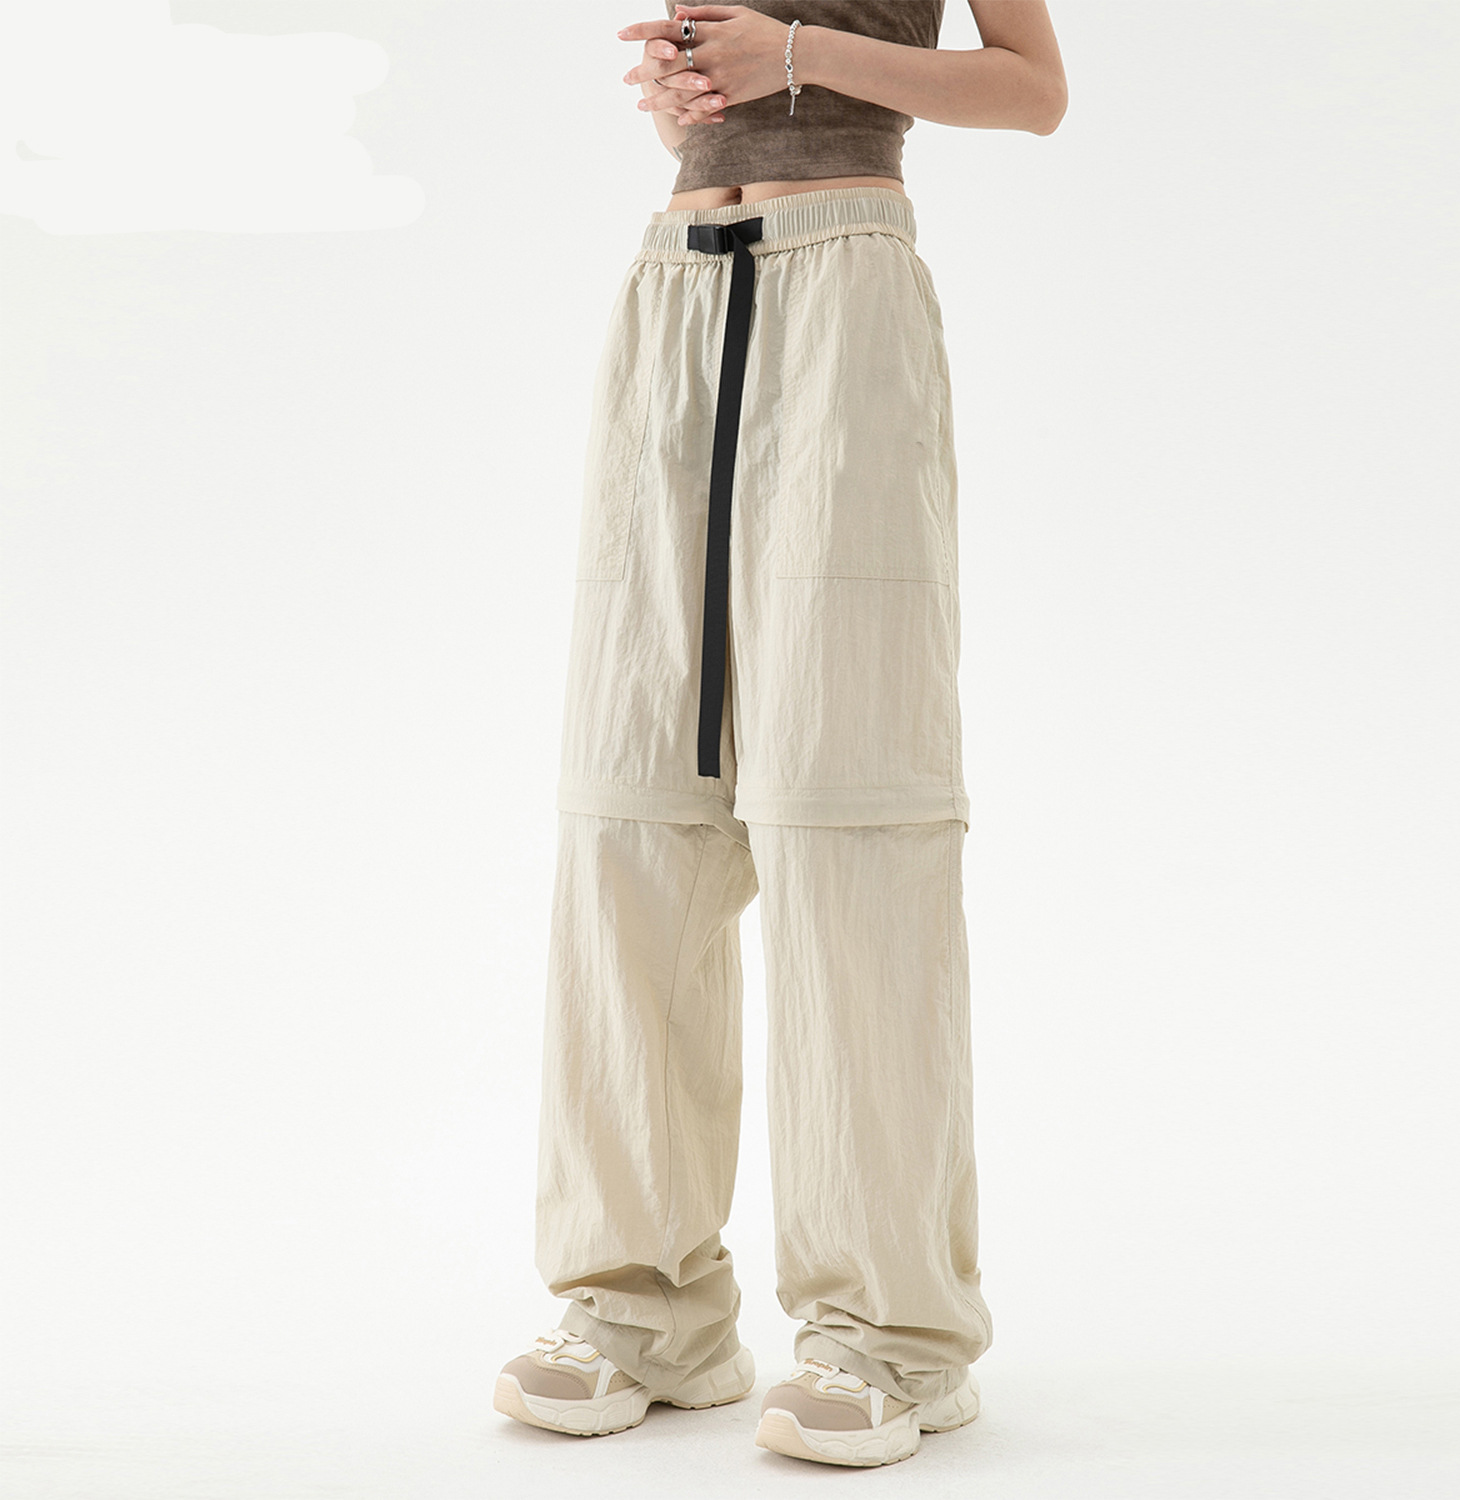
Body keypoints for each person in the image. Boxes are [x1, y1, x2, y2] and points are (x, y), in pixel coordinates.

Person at [493, 1, 1066, 1470]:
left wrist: (797, 59)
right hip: (676, 281)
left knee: (848, 811)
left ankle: (894, 1333)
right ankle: (642, 1306)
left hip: (846, 279)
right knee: (634, 807)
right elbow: (700, 101)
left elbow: (1031, 89)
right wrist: (682, 89)